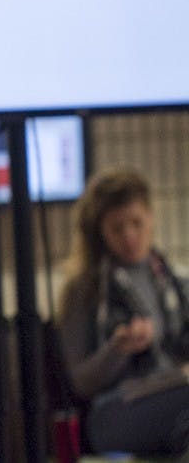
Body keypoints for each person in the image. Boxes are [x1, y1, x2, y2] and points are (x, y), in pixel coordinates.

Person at [57, 166, 189, 456]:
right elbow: (81, 382)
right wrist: (117, 349)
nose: (130, 236)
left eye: (136, 223)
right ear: (100, 232)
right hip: (115, 411)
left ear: (151, 218)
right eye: (117, 228)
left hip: (173, 392)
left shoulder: (173, 280)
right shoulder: (84, 289)